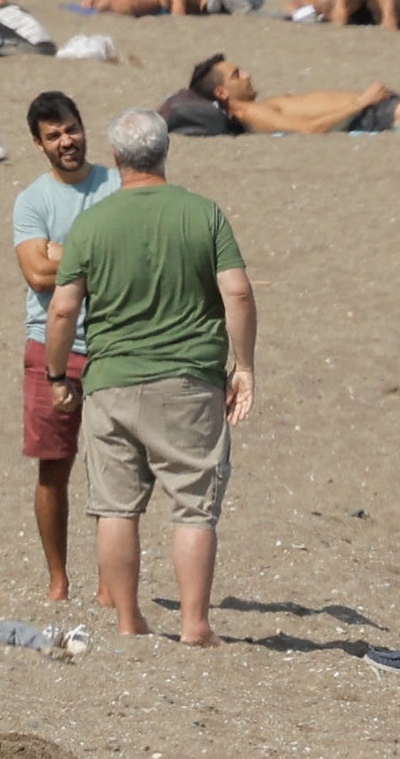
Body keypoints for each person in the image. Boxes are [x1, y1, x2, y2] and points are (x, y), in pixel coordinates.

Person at [40, 106, 253, 647]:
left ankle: (128, 618)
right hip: (188, 379)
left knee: (115, 506)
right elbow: (238, 293)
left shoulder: (90, 223)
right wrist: (244, 365)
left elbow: (62, 310)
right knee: (193, 506)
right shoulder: (203, 214)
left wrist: (58, 372)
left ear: (115, 158)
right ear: (165, 152)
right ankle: (194, 624)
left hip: (111, 379)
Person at [3, 88, 112, 601]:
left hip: (117, 341)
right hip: (51, 347)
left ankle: (111, 582)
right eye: (54, 135)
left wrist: (65, 251)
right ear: (37, 143)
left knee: (118, 468)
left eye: (71, 128)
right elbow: (36, 273)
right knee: (54, 467)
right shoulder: (33, 199)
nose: (67, 141)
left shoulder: (118, 185)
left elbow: (135, 258)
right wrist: (98, 259)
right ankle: (58, 579)